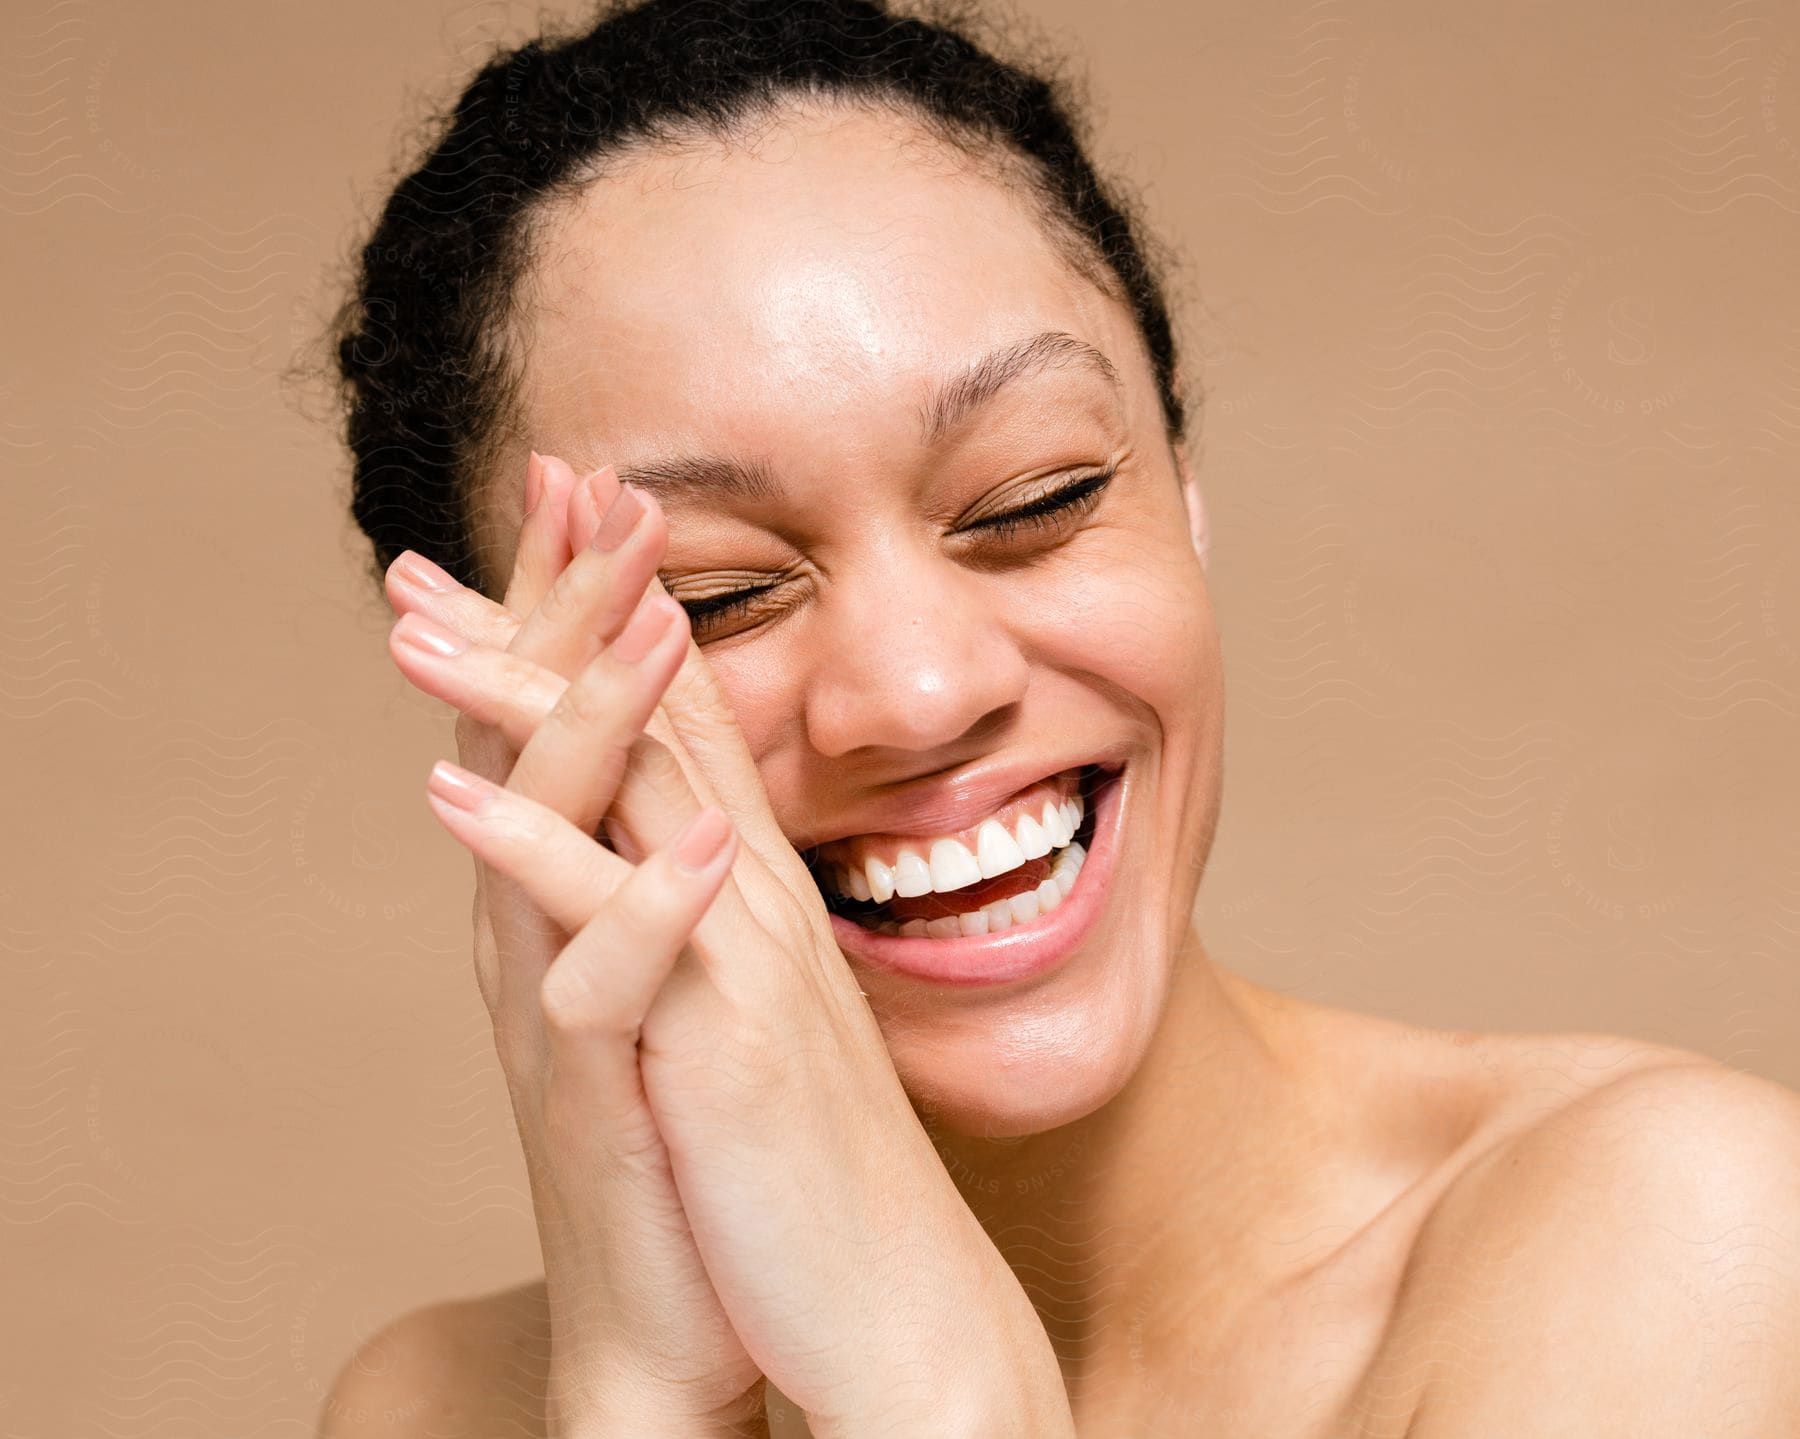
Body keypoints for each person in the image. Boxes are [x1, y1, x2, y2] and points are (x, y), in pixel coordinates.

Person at [315, 1, 1800, 1434]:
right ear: (496, 692)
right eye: (712, 598)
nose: (921, 690)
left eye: (1041, 498)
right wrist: (645, 1407)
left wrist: (940, 1407)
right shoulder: (444, 1415)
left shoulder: (1670, 1247)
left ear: (1182, 496)